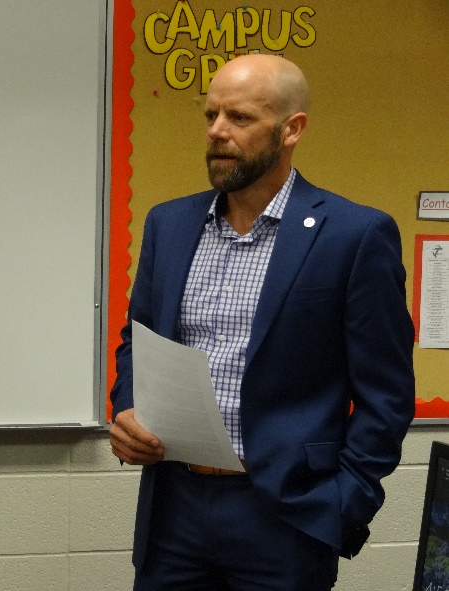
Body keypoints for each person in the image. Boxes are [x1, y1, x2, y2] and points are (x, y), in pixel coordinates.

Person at [109, 54, 414, 590]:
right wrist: (128, 409)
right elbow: (139, 340)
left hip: (286, 515)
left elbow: (385, 397)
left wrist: (344, 504)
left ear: (292, 128)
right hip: (173, 508)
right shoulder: (170, 223)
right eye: (210, 116)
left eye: (240, 118)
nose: (218, 132)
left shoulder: (354, 236)